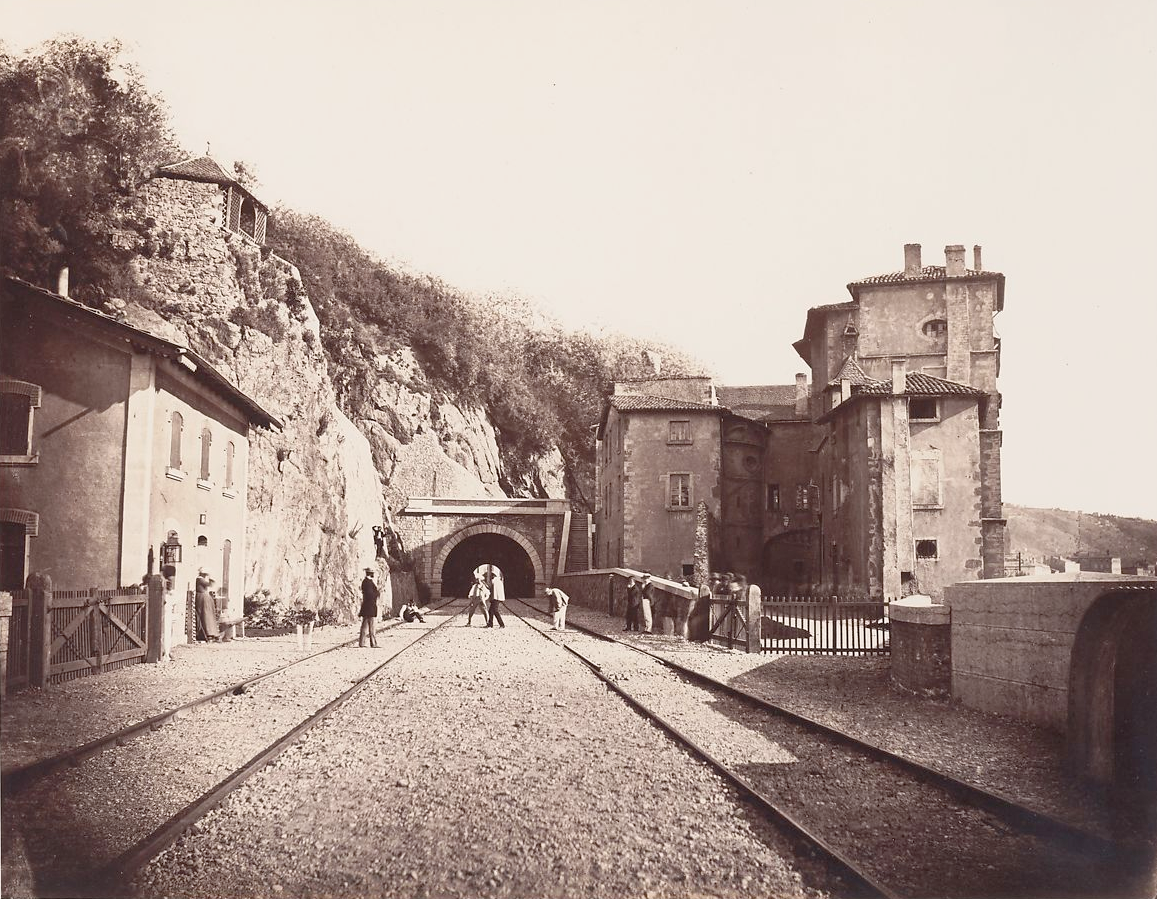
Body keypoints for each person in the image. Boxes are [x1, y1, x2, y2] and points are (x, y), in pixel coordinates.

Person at [194, 567, 220, 642]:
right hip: (202, 598)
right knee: (205, 615)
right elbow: (209, 584)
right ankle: (207, 633)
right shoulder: (199, 579)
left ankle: (210, 632)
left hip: (205, 598)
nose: (206, 575)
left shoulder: (201, 579)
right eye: (205, 574)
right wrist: (211, 579)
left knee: (208, 615)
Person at [359, 568, 379, 648]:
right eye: (372, 573)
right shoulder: (368, 582)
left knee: (365, 625)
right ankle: (373, 643)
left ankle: (362, 643)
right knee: (372, 626)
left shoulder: (366, 582)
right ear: (370, 573)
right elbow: (370, 594)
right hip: (370, 606)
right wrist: (377, 593)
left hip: (367, 606)